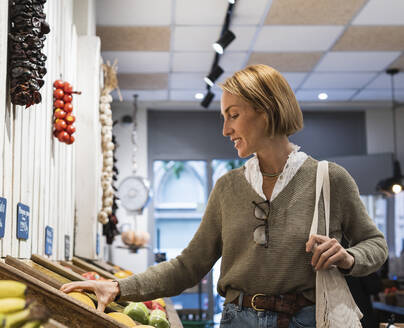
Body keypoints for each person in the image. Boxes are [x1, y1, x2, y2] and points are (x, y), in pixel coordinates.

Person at [60, 64, 388, 328]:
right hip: (236, 320)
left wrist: (349, 258)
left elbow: (376, 245)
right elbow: (189, 265)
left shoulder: (328, 178)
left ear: (266, 111)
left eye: (233, 115)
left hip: (306, 320)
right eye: (224, 117)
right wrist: (118, 287)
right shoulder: (228, 187)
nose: (225, 130)